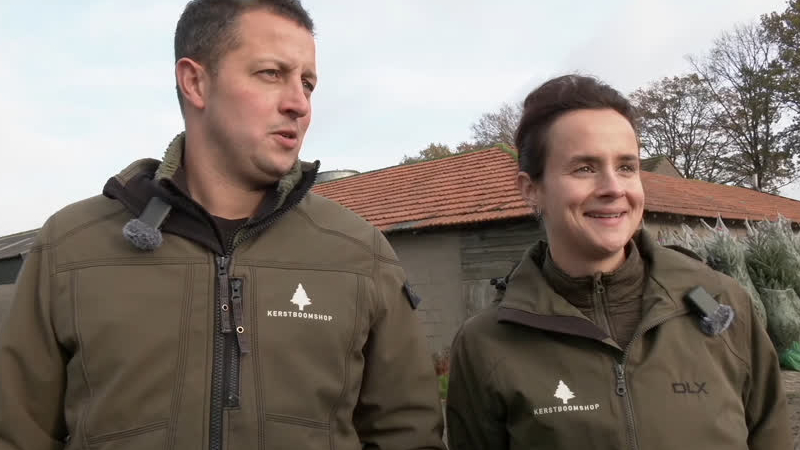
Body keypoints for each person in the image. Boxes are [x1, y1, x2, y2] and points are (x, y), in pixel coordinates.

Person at [0, 1, 445, 449]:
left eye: (307, 83)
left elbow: (407, 435)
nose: (299, 104)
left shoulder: (361, 254)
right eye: (271, 73)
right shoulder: (69, 249)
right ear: (195, 82)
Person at [445, 74, 791, 450]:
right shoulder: (486, 344)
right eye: (585, 168)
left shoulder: (722, 305)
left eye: (626, 167)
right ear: (531, 190)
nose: (613, 188)